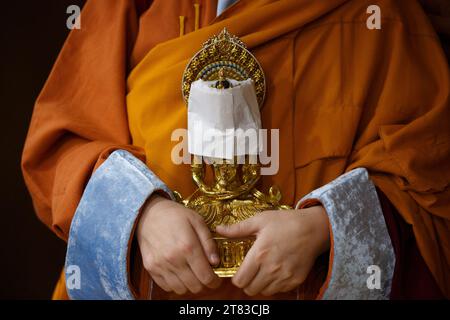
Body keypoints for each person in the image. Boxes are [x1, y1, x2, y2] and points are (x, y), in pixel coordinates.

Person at [22, 0, 450, 300]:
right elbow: (61, 148)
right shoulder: (133, 7)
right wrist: (141, 214)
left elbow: (430, 169)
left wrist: (326, 229)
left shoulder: (378, 14)